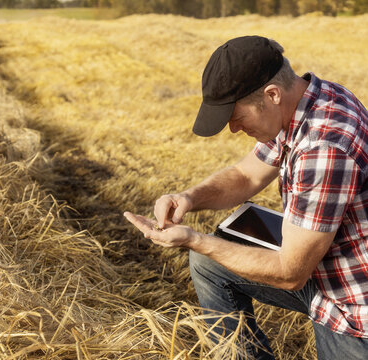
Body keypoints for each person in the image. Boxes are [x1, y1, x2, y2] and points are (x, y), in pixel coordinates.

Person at [124, 36, 367, 359]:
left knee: (206, 251)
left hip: (351, 305)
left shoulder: (323, 148)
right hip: (325, 265)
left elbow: (291, 273)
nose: (234, 129)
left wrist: (195, 240)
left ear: (272, 94)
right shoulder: (307, 100)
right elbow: (247, 175)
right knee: (210, 265)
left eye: (236, 117)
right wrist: (188, 197)